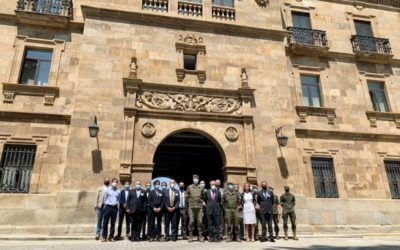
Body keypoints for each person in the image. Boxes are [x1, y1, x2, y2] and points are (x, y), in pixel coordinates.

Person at [186, 174, 205, 242]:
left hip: (199, 207)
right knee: (191, 221)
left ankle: (200, 236)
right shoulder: (189, 187)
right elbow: (186, 195)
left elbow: (203, 195)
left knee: (200, 221)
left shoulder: (201, 187)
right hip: (191, 207)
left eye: (196, 178)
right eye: (194, 178)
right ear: (193, 179)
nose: (195, 180)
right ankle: (190, 236)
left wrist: (201, 201)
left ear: (198, 179)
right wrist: (189, 202)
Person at [101, 178, 121, 242]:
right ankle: (104, 237)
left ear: (117, 183)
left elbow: (119, 199)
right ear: (111, 182)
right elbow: (104, 198)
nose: (114, 183)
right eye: (113, 181)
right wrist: (105, 205)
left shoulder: (118, 191)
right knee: (105, 222)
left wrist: (116, 204)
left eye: (116, 182)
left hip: (115, 208)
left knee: (113, 223)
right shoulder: (107, 190)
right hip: (108, 207)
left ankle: (111, 237)